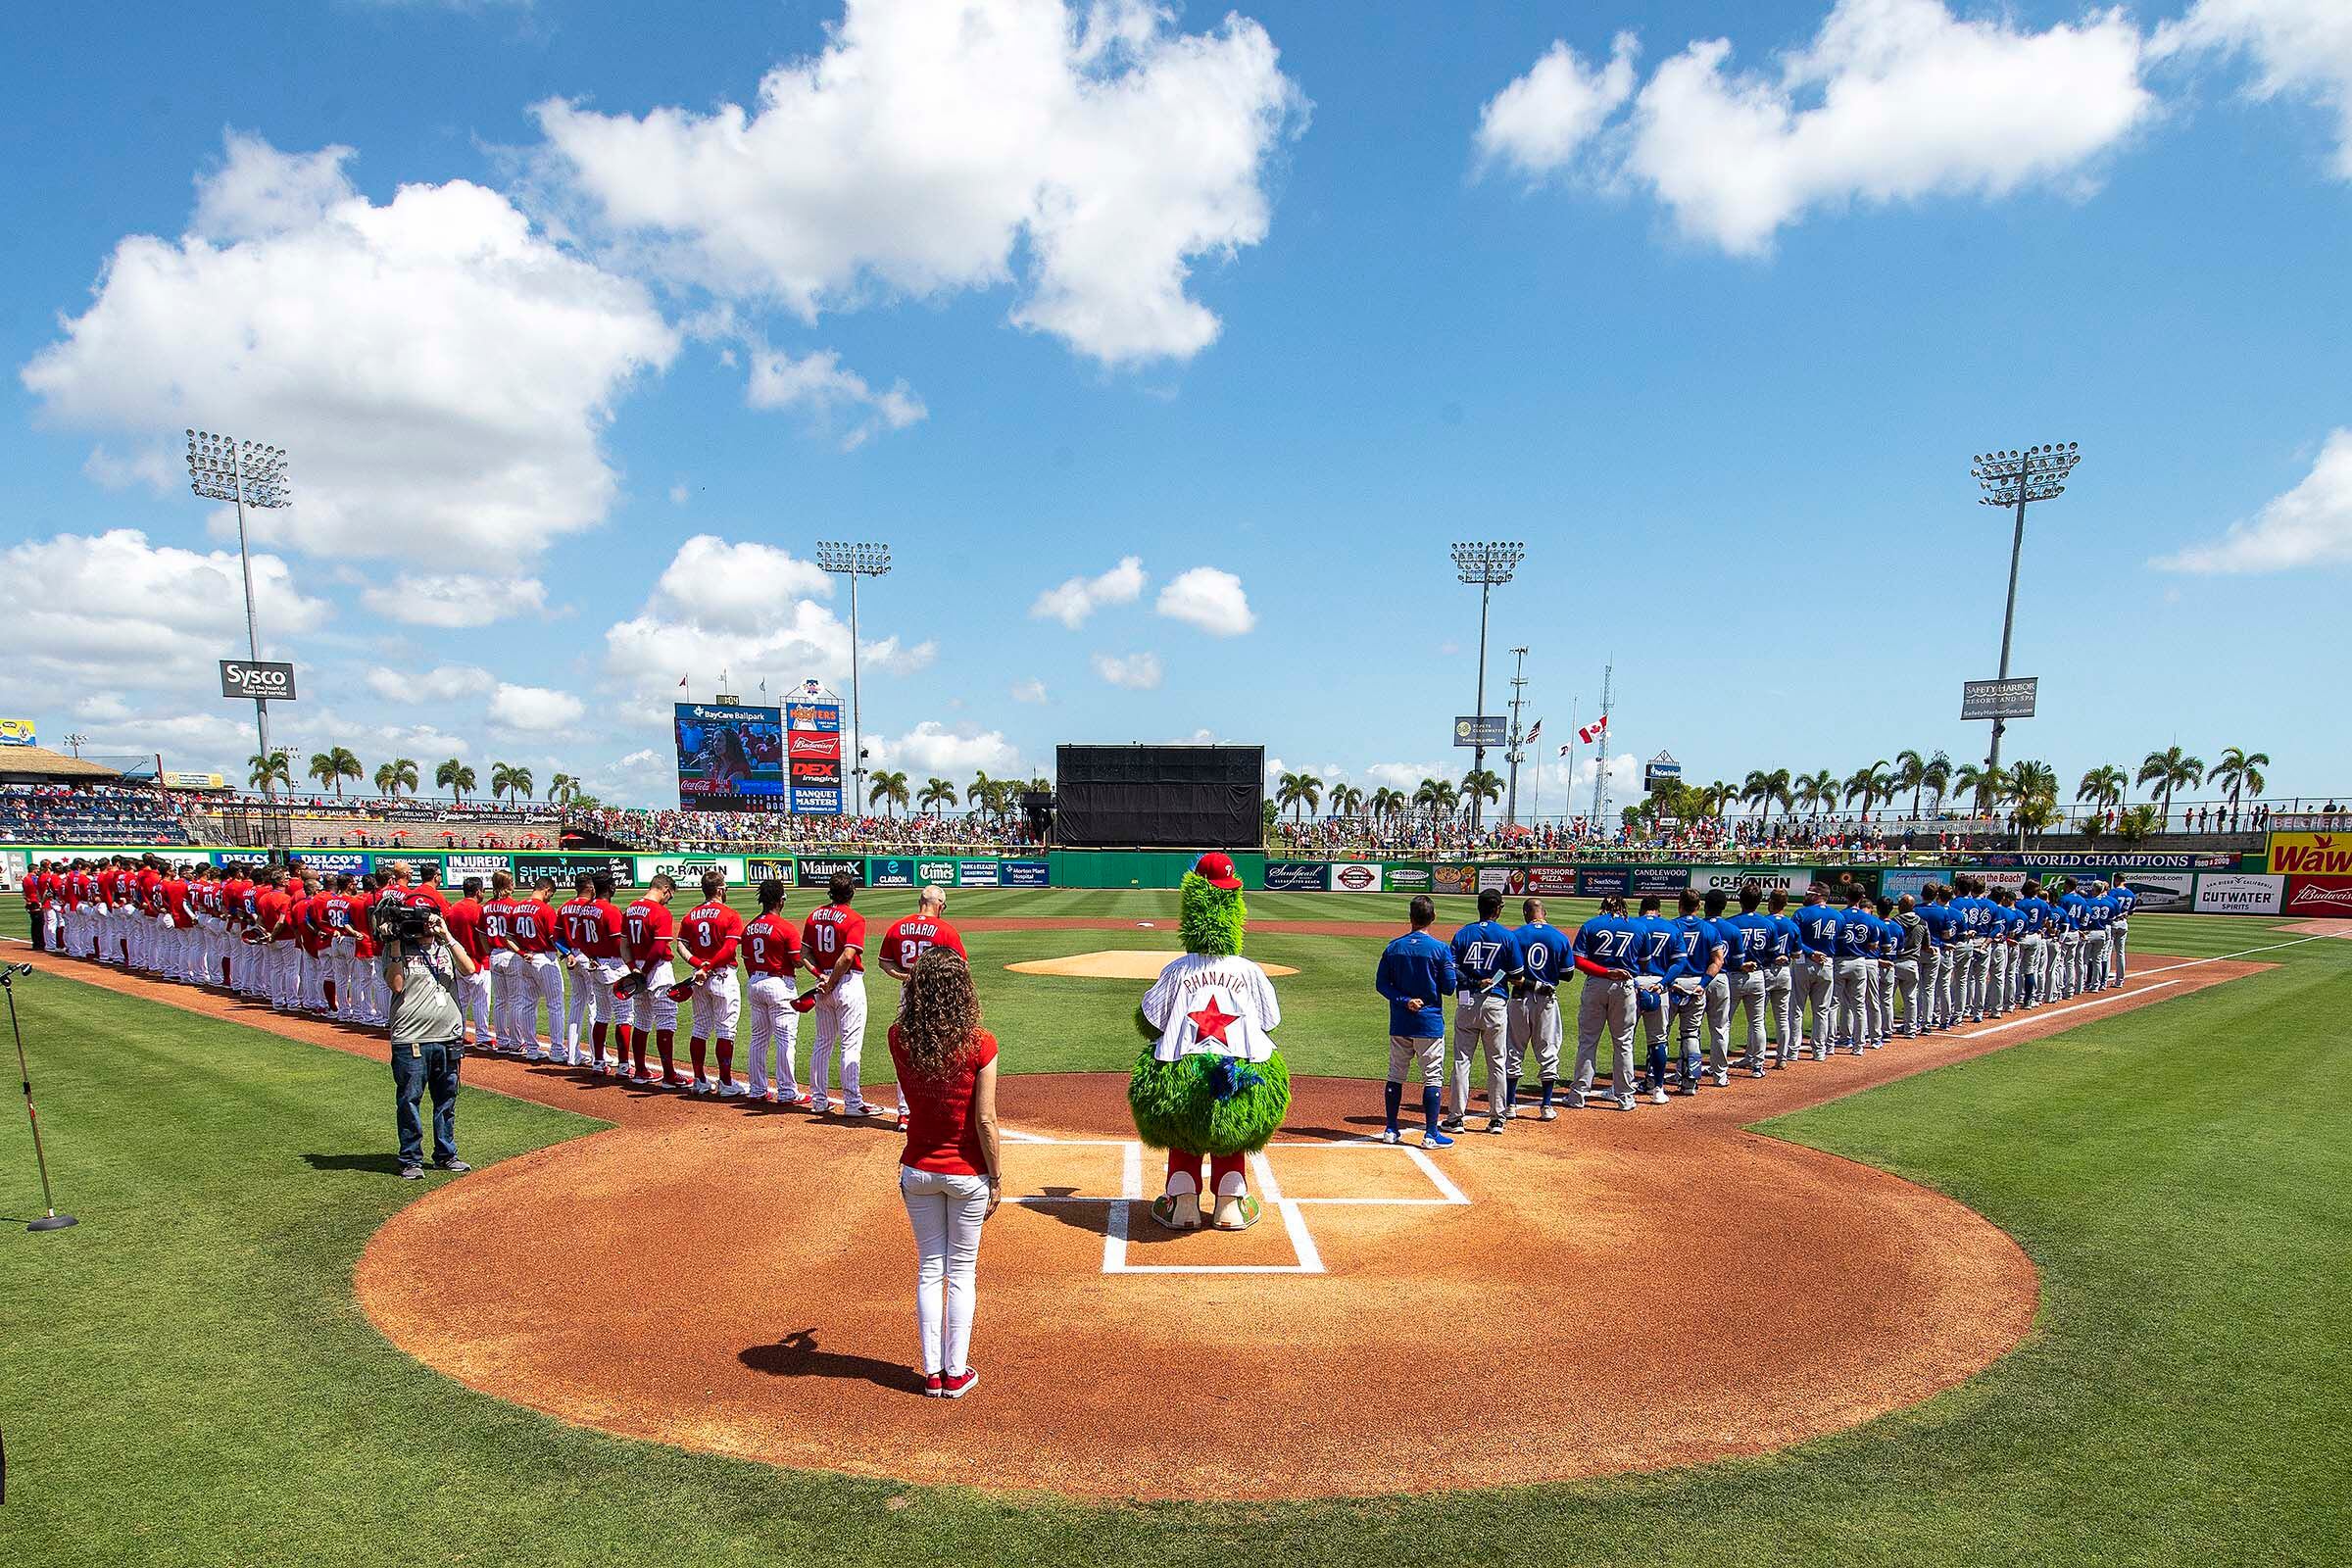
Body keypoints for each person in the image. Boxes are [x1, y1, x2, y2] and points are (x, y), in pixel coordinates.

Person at [889, 948, 1000, 1398]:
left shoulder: (899, 1037)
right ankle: (956, 1372)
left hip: (918, 1167)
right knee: (963, 1272)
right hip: (967, 1171)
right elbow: (986, 1120)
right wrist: (997, 1178)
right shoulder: (981, 1044)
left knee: (930, 1268)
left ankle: (933, 1372)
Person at [378, 898, 478, 1181]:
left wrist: (446, 935)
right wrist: (396, 942)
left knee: (446, 1099)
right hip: (411, 1038)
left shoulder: (445, 946)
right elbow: (396, 985)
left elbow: (469, 969)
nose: (424, 924)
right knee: (410, 1099)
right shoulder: (395, 947)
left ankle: (446, 1154)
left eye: (429, 916)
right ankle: (410, 1158)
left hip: (448, 1036)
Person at [878, 887, 970, 1132]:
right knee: (942, 1047)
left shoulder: (897, 927)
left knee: (907, 1049)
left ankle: (905, 1114)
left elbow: (884, 962)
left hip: (907, 994)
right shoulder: (946, 930)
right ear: (940, 905)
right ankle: (939, 1109)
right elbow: (962, 968)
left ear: (920, 901)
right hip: (938, 996)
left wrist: (906, 977)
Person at [1375, 896, 1457, 1146]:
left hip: (1400, 1021)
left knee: (1396, 1074)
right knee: (1432, 1077)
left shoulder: (1393, 947)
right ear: (1433, 917)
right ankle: (1431, 1134)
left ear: (1410, 917)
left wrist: (1403, 999)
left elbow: (1382, 984)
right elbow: (1450, 987)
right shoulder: (1440, 949)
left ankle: (1390, 1129)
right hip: (1429, 1023)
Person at [804, 871, 878, 1116]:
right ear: (852, 892)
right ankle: (853, 1103)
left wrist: (820, 976)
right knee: (850, 1044)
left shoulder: (814, 915)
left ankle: (818, 1100)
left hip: (823, 984)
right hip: (845, 984)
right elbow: (848, 956)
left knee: (822, 1043)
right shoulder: (854, 918)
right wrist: (833, 981)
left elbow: (804, 953)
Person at [1447, 887, 1521, 1133]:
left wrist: (1472, 981)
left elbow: (1452, 969)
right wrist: (1496, 979)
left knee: (1462, 1059)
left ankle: (1456, 1118)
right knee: (1498, 1060)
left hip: (1467, 999)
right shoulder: (1507, 936)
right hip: (1495, 1002)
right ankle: (1497, 1118)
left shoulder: (1463, 933)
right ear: (1498, 909)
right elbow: (1517, 975)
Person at [677, 870, 747, 1096]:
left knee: (700, 1027)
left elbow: (681, 945)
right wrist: (707, 967)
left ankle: (699, 1080)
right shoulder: (731, 915)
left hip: (699, 979)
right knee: (726, 1030)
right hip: (722, 976)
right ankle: (725, 1083)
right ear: (719, 890)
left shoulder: (691, 915)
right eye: (724, 887)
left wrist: (699, 964)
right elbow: (728, 950)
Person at [1570, 894, 1639, 1109]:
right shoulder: (1637, 928)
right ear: (1623, 906)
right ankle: (1626, 1097)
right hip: (1626, 985)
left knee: (1588, 1041)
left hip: (1597, 983)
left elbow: (1578, 960)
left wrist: (1606, 972)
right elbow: (1644, 962)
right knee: (1624, 1043)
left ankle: (1578, 1095)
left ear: (1603, 906)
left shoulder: (1591, 925)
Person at [741, 878, 806, 1103]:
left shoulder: (749, 927)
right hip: (779, 983)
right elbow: (797, 961)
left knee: (758, 1039)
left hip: (755, 981)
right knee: (785, 1039)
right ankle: (787, 1091)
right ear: (781, 900)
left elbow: (747, 960)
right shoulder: (785, 927)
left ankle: (757, 1090)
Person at [1504, 897, 1568, 1118]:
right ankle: (1546, 1106)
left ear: (1525, 914)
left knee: (1513, 1049)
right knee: (1548, 1050)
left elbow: (1509, 973)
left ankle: (1510, 1105)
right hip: (1547, 1001)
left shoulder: (1515, 936)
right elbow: (1568, 974)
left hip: (1519, 999)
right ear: (1545, 913)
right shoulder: (1559, 936)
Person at [623, 874, 684, 1086]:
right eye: (670, 896)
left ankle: (640, 1070)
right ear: (665, 889)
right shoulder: (660, 912)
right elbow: (659, 948)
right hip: (656, 970)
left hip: (637, 967)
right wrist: (645, 971)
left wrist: (634, 969)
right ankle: (669, 1075)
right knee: (666, 1019)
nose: (669, 900)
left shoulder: (630, 908)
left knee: (641, 1019)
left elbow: (623, 944)